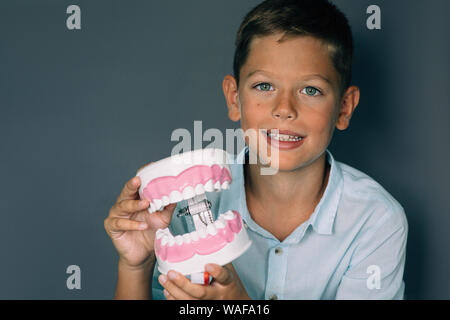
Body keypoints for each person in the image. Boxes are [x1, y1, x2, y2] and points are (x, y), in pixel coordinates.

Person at [104, 0, 408, 300]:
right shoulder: (189, 204)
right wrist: (136, 266)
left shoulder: (376, 221)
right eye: (264, 86)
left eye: (310, 90)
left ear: (344, 108)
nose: (284, 109)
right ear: (235, 99)